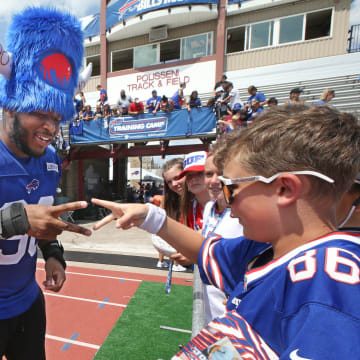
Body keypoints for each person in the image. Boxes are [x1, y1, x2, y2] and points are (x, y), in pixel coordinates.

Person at [91, 105, 360, 359]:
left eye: (232, 188)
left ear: (284, 189)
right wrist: (149, 216)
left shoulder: (332, 289)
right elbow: (207, 252)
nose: (228, 206)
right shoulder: (269, 248)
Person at [0, 7, 91, 359]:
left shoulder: (50, 158)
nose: (50, 127)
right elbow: (27, 218)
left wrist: (53, 253)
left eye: (56, 116)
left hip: (26, 300)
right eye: (40, 112)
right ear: (11, 107)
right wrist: (18, 220)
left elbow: (44, 219)